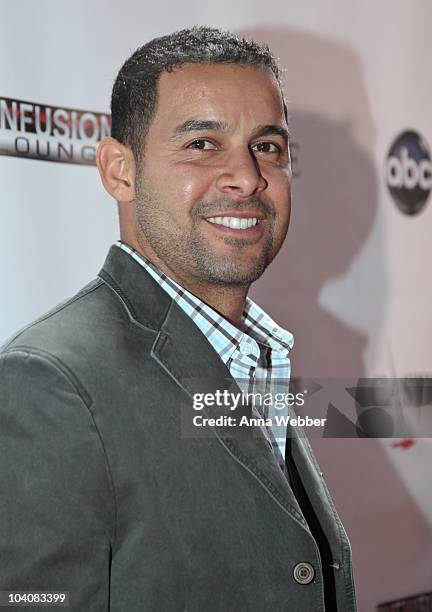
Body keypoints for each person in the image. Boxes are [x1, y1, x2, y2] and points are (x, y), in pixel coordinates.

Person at [0, 26, 356, 611]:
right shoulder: (51, 384)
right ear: (120, 171)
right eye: (202, 145)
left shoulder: (259, 355)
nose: (247, 177)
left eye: (267, 146)